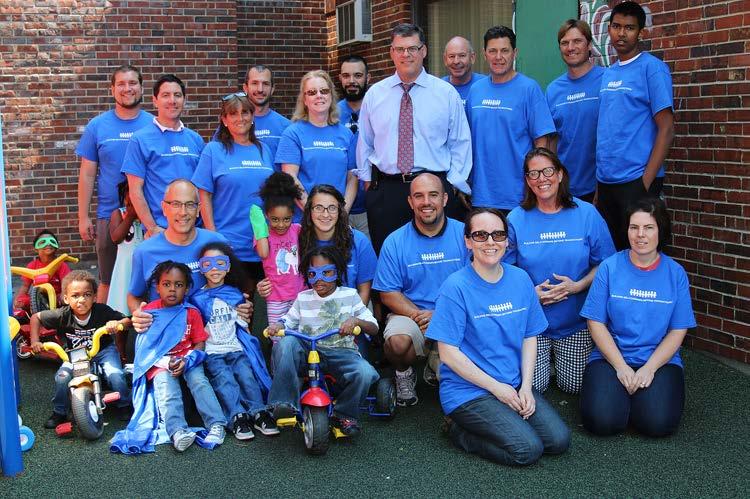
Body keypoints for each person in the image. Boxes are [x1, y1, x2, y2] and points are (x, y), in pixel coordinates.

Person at [426, 207, 571, 466]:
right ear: (468, 241)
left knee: (558, 441)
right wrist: (497, 389)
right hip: (468, 391)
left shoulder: (521, 279)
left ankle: (504, 412)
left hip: (512, 384)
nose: (490, 242)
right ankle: (458, 431)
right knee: (527, 450)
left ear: (506, 240)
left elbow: (529, 336)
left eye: (497, 234)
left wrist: (526, 386)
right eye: (480, 235)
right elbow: (448, 354)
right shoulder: (455, 287)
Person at [580, 198, 695, 437]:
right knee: (601, 422)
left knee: (657, 425)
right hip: (611, 357)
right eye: (634, 227)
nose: (640, 235)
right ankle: (622, 399)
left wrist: (649, 369)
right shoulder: (609, 268)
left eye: (648, 227)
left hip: (658, 360)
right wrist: (621, 367)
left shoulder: (675, 273)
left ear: (660, 230)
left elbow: (678, 330)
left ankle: (638, 401)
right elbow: (596, 322)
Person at [505, 148, 615, 394]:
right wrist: (529, 294)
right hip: (534, 323)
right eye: (533, 174)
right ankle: (546, 362)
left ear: (560, 174)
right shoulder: (516, 218)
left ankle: (559, 361)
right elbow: (504, 270)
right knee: (535, 387)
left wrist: (578, 285)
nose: (541, 179)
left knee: (574, 386)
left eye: (547, 171)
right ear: (526, 180)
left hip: (575, 322)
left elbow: (607, 264)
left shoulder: (586, 213)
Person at [357, 23, 472, 253]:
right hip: (387, 191)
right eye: (399, 49)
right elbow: (365, 142)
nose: (405, 54)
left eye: (412, 48)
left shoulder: (445, 93)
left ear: (424, 51)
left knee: (439, 257)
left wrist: (453, 184)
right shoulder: (375, 95)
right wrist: (369, 183)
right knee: (389, 259)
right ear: (391, 52)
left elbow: (460, 142)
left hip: (434, 189)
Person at [373, 173, 468, 406]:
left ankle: (438, 359)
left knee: (458, 370)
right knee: (397, 343)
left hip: (457, 313)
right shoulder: (395, 241)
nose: (426, 202)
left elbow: (476, 284)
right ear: (410, 202)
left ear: (445, 199)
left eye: (433, 195)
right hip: (413, 313)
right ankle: (404, 374)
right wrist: (421, 317)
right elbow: (388, 293)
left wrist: (441, 316)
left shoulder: (466, 234)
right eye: (419, 196)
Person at [266, 246, 379, 437]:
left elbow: (374, 327)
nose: (319, 279)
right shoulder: (303, 298)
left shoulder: (350, 295)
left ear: (337, 273)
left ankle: (344, 413)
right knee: (286, 342)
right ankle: (283, 403)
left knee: (365, 373)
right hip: (309, 352)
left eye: (327, 273)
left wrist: (356, 321)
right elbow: (288, 320)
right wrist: (278, 325)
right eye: (313, 274)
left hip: (341, 352)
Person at [596, 1, 674, 249]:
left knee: (643, 255)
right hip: (607, 182)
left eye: (629, 28)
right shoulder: (608, 73)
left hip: (636, 181)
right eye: (616, 26)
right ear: (609, 29)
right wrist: (600, 183)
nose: (622, 33)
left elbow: (667, 128)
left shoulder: (653, 69)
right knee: (613, 255)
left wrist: (645, 183)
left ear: (641, 32)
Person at [126, 179, 253, 327]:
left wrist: (243, 304)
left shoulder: (218, 243)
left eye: (190, 205)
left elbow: (234, 288)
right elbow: (134, 295)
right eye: (176, 204)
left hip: (213, 336)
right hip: (167, 333)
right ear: (164, 208)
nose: (183, 212)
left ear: (199, 209)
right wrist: (138, 314)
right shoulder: (145, 251)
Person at [76, 64, 153, 302]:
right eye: (121, 83)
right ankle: (104, 337)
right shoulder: (97, 126)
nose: (127, 89)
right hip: (108, 216)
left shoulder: (154, 124)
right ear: (112, 90)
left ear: (141, 88)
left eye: (132, 83)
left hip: (149, 216)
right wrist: (83, 217)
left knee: (151, 280)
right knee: (108, 280)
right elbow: (88, 174)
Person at [138, 261, 227, 451]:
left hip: (188, 359)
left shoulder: (191, 313)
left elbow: (200, 342)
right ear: (158, 287)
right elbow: (146, 348)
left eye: (178, 285)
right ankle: (177, 431)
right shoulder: (149, 313)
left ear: (186, 289)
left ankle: (216, 424)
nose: (172, 289)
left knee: (199, 382)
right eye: (166, 284)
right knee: (166, 388)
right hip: (161, 363)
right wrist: (166, 362)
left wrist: (188, 360)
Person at [465, 26, 556, 212]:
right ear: (484, 54)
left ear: (515, 53)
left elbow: (542, 143)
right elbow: (465, 141)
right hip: (481, 194)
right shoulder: (475, 91)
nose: (499, 57)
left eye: (505, 50)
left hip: (520, 196)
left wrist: (537, 187)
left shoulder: (529, 89)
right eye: (493, 51)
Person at [191, 243, 275, 441]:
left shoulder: (234, 294)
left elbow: (243, 324)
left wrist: (250, 345)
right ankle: (237, 416)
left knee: (247, 377)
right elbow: (196, 327)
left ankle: (258, 412)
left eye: (220, 263)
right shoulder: (197, 299)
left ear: (228, 268)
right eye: (208, 264)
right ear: (201, 268)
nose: (214, 269)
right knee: (225, 380)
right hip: (213, 352)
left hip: (235, 348)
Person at [193, 92, 274, 295]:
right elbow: (204, 196)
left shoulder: (264, 150)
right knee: (235, 307)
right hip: (229, 245)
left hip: (262, 245)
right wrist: (214, 235)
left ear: (253, 116)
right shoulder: (213, 150)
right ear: (224, 120)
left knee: (262, 313)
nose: (241, 118)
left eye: (245, 112)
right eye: (233, 114)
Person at [30, 270, 132, 427]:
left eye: (87, 295)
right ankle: (60, 411)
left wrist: (116, 324)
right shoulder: (62, 315)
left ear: (95, 297)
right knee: (62, 377)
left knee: (115, 375)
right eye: (75, 295)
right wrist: (35, 341)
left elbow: (127, 320)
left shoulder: (102, 311)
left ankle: (125, 404)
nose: (81, 300)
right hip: (74, 355)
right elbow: (35, 318)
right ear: (66, 298)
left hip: (103, 351)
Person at [121, 74, 205, 238]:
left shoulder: (196, 139)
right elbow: (135, 190)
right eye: (166, 95)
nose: (172, 100)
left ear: (184, 100)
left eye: (177, 95)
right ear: (155, 100)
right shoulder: (140, 139)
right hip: (161, 232)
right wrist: (152, 228)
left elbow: (203, 188)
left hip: (195, 231)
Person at [276, 70, 358, 212]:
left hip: (338, 217)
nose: (319, 95)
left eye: (324, 91)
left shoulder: (346, 134)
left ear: (331, 96)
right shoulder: (292, 133)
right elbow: (290, 177)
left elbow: (352, 177)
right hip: (304, 218)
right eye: (312, 92)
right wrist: (313, 212)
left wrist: (342, 212)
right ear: (304, 100)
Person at [546, 20, 603, 202]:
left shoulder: (607, 80)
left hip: (602, 186)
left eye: (577, 41)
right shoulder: (553, 90)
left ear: (589, 45)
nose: (571, 47)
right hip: (565, 188)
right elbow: (552, 142)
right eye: (564, 43)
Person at [251, 172, 305, 326]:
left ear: (293, 215)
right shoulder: (263, 234)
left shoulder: (297, 230)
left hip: (300, 295)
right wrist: (259, 225)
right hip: (276, 297)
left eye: (286, 219)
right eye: (275, 219)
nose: (281, 225)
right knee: (278, 337)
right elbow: (263, 253)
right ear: (267, 215)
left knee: (301, 336)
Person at [338, 55, 371, 238]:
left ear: (368, 78)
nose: (351, 81)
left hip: (371, 208)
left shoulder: (377, 111)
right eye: (346, 75)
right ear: (340, 78)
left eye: (357, 75)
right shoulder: (330, 115)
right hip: (338, 207)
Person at [107, 181, 144, 317]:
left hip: (143, 267)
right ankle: (120, 338)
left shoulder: (149, 216)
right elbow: (116, 238)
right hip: (125, 269)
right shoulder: (119, 214)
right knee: (121, 310)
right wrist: (130, 216)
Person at [12, 230, 71, 315]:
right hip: (38, 297)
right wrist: (18, 300)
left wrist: (63, 296)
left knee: (65, 299)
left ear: (56, 246)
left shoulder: (61, 265)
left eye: (51, 241)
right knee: (23, 301)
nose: (48, 244)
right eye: (42, 242)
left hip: (56, 297)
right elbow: (25, 285)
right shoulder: (32, 265)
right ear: (36, 249)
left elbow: (66, 284)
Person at [242, 65, 291, 160]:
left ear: (272, 89)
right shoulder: (233, 124)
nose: (260, 89)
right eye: (254, 83)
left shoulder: (286, 127)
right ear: (245, 88)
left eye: (265, 84)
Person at [442, 36, 484, 105]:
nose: (456, 61)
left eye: (462, 55)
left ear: (472, 58)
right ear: (445, 60)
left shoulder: (485, 86)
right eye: (452, 56)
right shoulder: (438, 89)